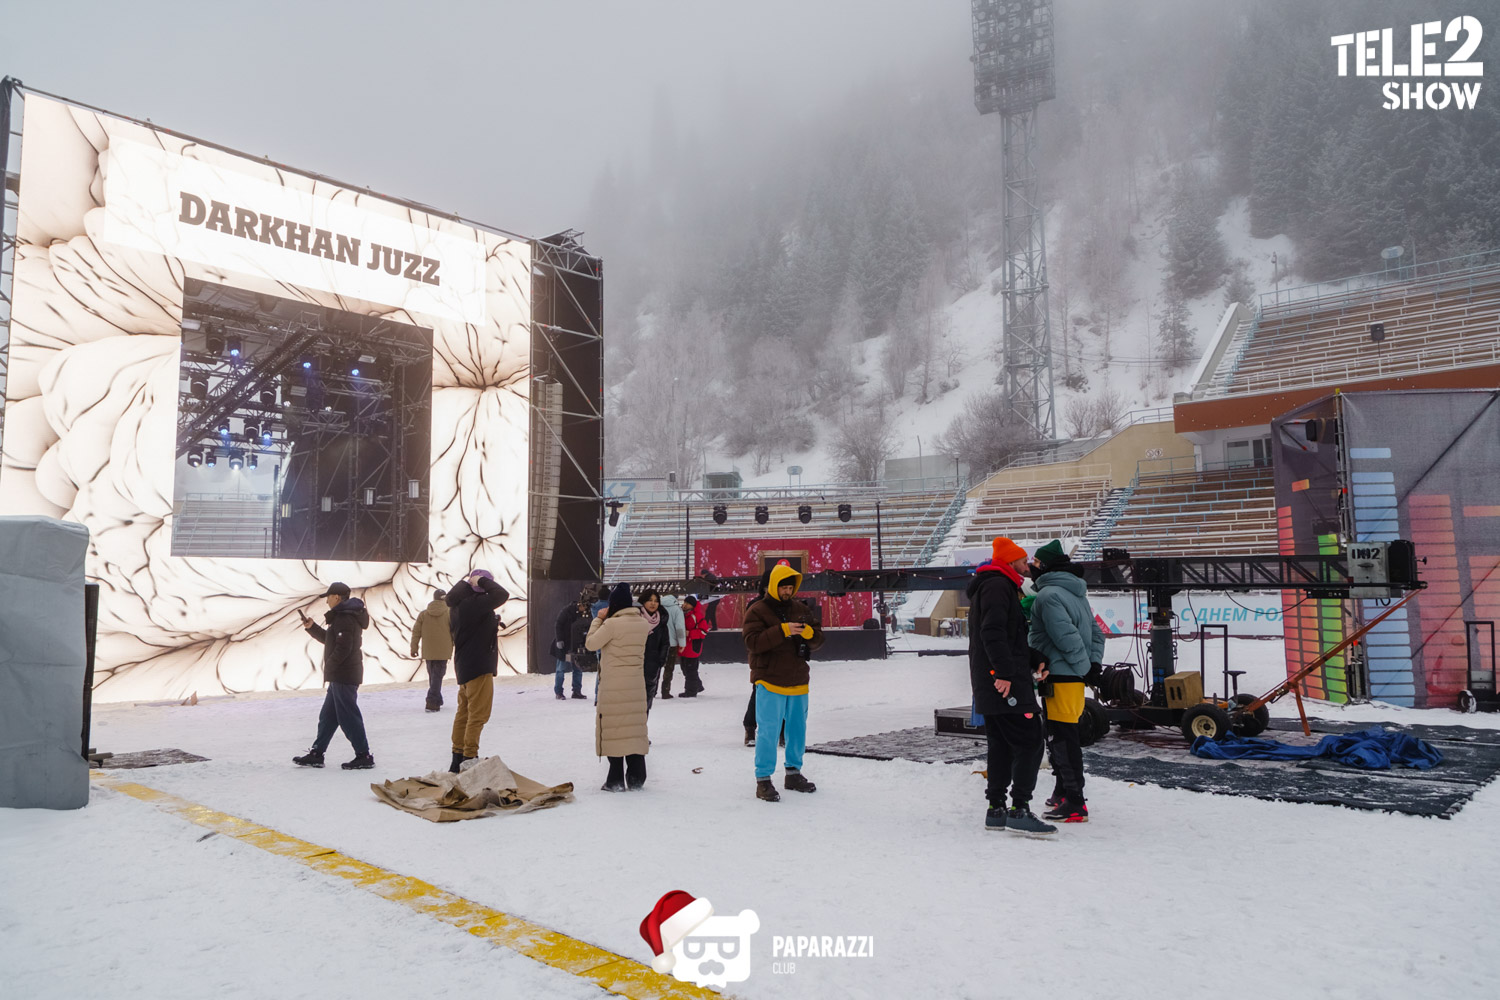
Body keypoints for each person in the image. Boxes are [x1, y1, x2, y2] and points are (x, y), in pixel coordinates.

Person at [967, 537, 1055, 836]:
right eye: (1022, 559)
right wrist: (1003, 673)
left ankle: (997, 809)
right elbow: (991, 633)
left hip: (996, 679)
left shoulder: (997, 585)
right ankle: (1019, 808)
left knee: (1002, 745)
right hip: (1005, 683)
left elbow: (1008, 638)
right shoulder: (997, 586)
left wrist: (1035, 659)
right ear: (1010, 561)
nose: (1027, 563)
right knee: (1030, 739)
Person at [1027, 539, 1105, 824]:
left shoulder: (1048, 596)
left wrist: (1085, 669)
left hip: (1060, 675)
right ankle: (1062, 791)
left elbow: (1066, 637)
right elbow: (1097, 634)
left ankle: (1074, 801)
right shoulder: (1077, 594)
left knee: (1062, 738)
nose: (1031, 568)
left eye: (1035, 563)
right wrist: (1093, 665)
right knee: (1061, 734)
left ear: (1046, 566)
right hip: (1071, 677)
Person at [742, 561, 824, 802]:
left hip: (798, 679)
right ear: (773, 586)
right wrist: (783, 630)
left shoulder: (801, 608)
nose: (787, 592)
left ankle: (793, 773)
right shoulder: (757, 610)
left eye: (790, 588)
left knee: (797, 730)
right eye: (783, 587)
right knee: (768, 731)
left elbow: (819, 639)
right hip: (769, 679)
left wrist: (810, 634)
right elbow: (752, 642)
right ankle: (763, 779)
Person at [292, 582, 374, 770]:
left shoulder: (345, 618)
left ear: (336, 597)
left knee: (349, 717)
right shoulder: (343, 616)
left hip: (344, 675)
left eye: (328, 597)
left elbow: (344, 648)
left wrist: (330, 666)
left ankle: (364, 755)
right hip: (341, 675)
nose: (327, 601)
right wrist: (312, 627)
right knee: (328, 717)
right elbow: (331, 641)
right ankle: (317, 753)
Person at [586, 583, 651, 791]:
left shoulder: (611, 625)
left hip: (613, 685)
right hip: (635, 684)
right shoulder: (642, 624)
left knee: (615, 729)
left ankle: (615, 779)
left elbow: (591, 644)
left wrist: (598, 619)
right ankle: (636, 777)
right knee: (634, 729)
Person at [445, 569, 510, 773]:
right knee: (477, 714)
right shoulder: (473, 604)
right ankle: (469, 757)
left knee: (464, 713)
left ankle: (457, 758)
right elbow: (502, 594)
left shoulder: (459, 605)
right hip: (478, 666)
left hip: (466, 666)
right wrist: (480, 580)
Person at [410, 588, 454, 712]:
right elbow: (455, 631)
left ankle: (437, 699)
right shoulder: (449, 613)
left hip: (428, 651)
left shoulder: (424, 614)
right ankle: (432, 702)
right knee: (437, 676)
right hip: (444, 650)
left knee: (433, 676)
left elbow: (416, 632)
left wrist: (414, 647)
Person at [639, 589, 671, 712]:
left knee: (647, 698)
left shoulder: (661, 621)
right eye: (650, 600)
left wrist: (660, 661)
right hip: (635, 663)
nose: (653, 603)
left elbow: (665, 644)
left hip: (652, 666)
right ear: (643, 601)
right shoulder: (635, 618)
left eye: (656, 601)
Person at [553, 596, 587, 701]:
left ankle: (577, 691)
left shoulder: (584, 613)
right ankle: (559, 692)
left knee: (578, 669)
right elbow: (558, 624)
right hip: (564, 643)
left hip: (576, 643)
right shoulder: (567, 611)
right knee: (560, 669)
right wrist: (559, 640)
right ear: (580, 605)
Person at [677, 595, 709, 697]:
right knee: (685, 669)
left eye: (688, 603)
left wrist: (689, 633)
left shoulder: (697, 616)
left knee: (690, 670)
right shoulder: (682, 614)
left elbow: (704, 631)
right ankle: (697, 686)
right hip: (684, 646)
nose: (685, 605)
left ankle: (691, 691)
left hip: (693, 647)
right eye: (684, 602)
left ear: (693, 605)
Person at [657, 593, 686, 699]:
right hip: (671, 643)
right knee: (669, 668)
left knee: (655, 667)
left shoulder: (658, 607)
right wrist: (682, 643)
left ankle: (652, 690)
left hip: (658, 642)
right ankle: (665, 692)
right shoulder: (677, 610)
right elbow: (679, 628)